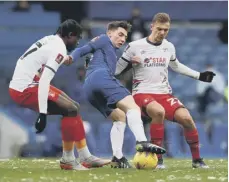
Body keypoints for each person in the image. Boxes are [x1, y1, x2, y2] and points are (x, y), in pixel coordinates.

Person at [115, 13, 216, 169]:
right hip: (142, 93)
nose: (162, 33)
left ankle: (197, 160)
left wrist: (200, 76)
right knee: (159, 112)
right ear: (152, 26)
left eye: (166, 30)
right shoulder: (134, 46)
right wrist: (129, 64)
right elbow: (116, 70)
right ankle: (158, 160)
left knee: (187, 119)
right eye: (159, 29)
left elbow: (176, 66)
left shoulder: (168, 46)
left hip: (164, 93)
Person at [9, 19, 110, 170]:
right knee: (70, 109)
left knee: (73, 107)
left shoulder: (51, 39)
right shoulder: (59, 49)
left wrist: (74, 55)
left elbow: (48, 58)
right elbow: (45, 81)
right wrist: (42, 113)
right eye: (77, 38)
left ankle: (84, 156)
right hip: (25, 88)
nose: (77, 43)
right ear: (69, 35)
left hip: (26, 83)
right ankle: (71, 159)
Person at [64, 21, 166, 168]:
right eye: (120, 34)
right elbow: (83, 49)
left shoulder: (109, 51)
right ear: (109, 33)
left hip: (90, 88)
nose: (123, 39)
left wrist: (130, 63)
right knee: (133, 107)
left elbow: (113, 70)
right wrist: (71, 58)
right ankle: (142, 141)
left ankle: (117, 157)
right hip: (100, 78)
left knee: (119, 117)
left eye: (125, 36)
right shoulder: (103, 39)